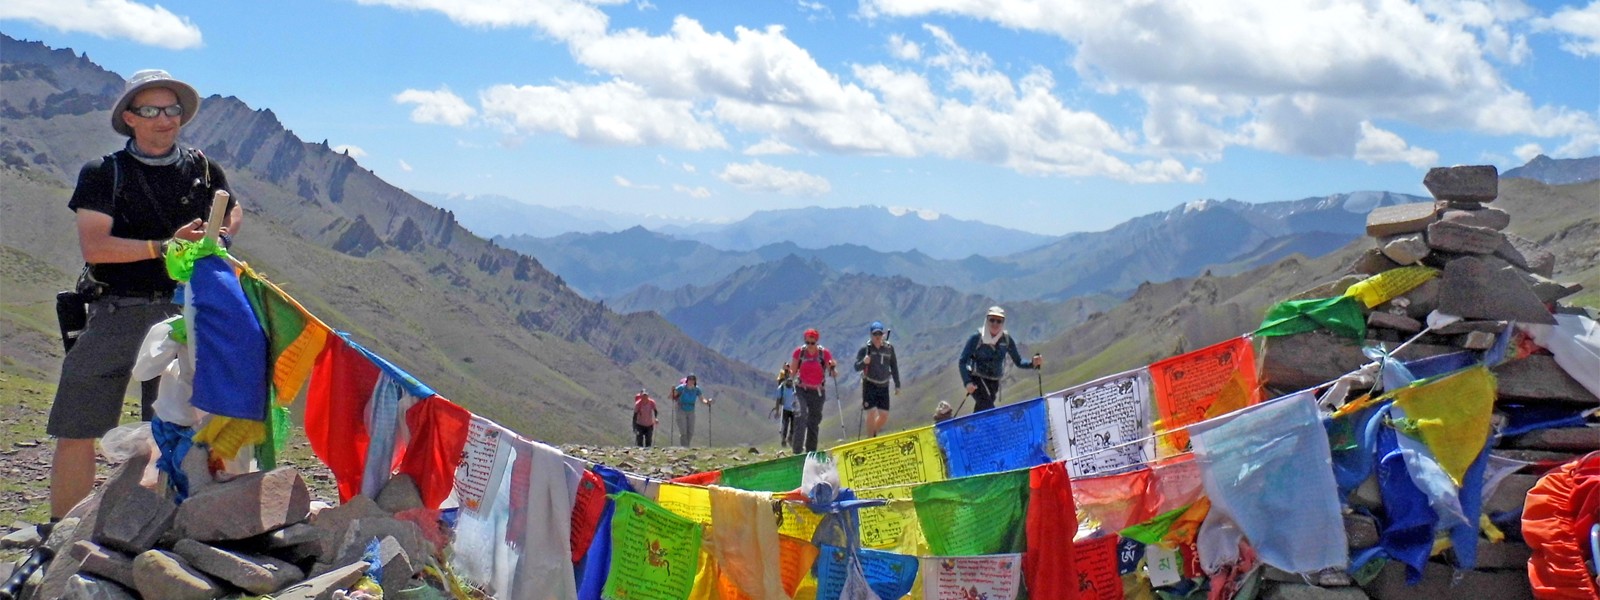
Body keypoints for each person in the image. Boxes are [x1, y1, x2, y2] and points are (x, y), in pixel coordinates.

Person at [47, 69, 241, 522]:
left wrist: (218, 238)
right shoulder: (103, 173)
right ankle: (60, 534)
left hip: (186, 311)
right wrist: (165, 247)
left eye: (171, 109)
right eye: (150, 110)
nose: (164, 119)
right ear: (129, 118)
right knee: (78, 424)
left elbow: (233, 210)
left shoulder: (205, 169)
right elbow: (96, 246)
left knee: (178, 424)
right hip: (118, 310)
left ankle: (164, 528)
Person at [957, 306, 1041, 413]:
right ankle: (995, 428)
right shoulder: (976, 338)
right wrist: (967, 382)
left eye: (999, 321)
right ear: (986, 320)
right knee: (988, 408)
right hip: (976, 380)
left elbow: (1018, 361)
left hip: (994, 383)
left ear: (1003, 322)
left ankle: (975, 429)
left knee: (981, 410)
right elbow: (962, 361)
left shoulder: (1006, 340)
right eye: (992, 320)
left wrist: (1032, 363)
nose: (995, 324)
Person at [789, 328, 837, 453]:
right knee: (801, 416)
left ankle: (811, 452)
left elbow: (832, 372)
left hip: (818, 392)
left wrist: (833, 368)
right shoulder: (799, 353)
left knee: (813, 422)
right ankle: (797, 451)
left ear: (816, 341)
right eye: (807, 342)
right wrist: (786, 374)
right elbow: (793, 372)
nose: (810, 345)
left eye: (812, 343)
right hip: (801, 389)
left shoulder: (824, 354)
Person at [854, 321, 900, 437]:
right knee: (871, 412)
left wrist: (897, 384)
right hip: (870, 384)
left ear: (883, 334)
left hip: (884, 385)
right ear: (871, 335)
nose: (878, 337)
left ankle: (872, 434)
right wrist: (864, 362)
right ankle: (870, 440)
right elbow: (856, 366)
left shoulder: (889, 348)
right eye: (875, 334)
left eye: (880, 334)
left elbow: (893, 365)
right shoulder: (865, 349)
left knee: (884, 415)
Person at [671, 374, 706, 446]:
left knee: (690, 431)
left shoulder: (697, 389)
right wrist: (673, 391)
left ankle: (686, 445)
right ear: (687, 380)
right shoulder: (681, 388)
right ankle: (685, 447)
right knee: (683, 431)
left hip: (691, 410)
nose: (691, 381)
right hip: (681, 409)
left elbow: (702, 399)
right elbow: (672, 396)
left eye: (693, 380)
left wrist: (707, 402)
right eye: (690, 379)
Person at [772, 364, 799, 448]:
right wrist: (777, 410)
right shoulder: (781, 388)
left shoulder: (794, 387)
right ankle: (783, 440)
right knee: (785, 424)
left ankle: (790, 438)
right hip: (785, 409)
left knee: (793, 426)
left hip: (793, 409)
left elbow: (796, 397)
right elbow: (778, 399)